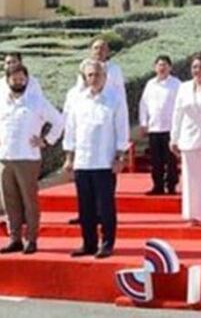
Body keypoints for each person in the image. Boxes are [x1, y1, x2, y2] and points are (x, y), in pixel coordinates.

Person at [0, 63, 63, 255]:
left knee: (29, 201)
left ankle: (31, 240)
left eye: (22, 79)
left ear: (27, 79)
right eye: (14, 79)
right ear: (7, 80)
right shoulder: (0, 101)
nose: (18, 82)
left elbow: (58, 120)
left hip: (28, 158)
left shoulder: (36, 101)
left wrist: (47, 140)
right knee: (9, 201)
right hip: (4, 158)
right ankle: (14, 239)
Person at [63, 59, 130, 258]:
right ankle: (88, 243)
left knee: (106, 206)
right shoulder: (78, 100)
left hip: (104, 161)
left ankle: (107, 243)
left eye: (97, 75)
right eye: (90, 75)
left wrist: (120, 156)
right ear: (84, 78)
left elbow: (122, 129)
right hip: (83, 161)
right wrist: (69, 157)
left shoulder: (115, 99)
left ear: (105, 77)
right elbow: (71, 130)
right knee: (85, 206)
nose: (94, 79)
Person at [170, 54, 201, 226]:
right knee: (190, 180)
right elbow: (178, 114)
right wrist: (173, 138)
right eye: (194, 67)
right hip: (188, 138)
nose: (197, 71)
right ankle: (192, 215)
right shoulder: (183, 88)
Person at [139, 54, 182, 196]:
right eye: (159, 65)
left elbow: (181, 106)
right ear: (155, 67)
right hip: (154, 128)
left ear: (170, 67)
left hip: (170, 128)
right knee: (156, 160)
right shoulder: (150, 84)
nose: (162, 68)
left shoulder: (176, 84)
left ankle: (171, 185)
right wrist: (143, 123)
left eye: (165, 65)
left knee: (170, 160)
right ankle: (157, 185)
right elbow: (143, 105)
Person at [70, 38, 126, 110]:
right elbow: (79, 89)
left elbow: (121, 92)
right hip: (87, 106)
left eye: (102, 48)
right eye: (96, 48)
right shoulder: (84, 66)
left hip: (108, 108)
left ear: (108, 52)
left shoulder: (115, 69)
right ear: (91, 51)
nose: (99, 51)